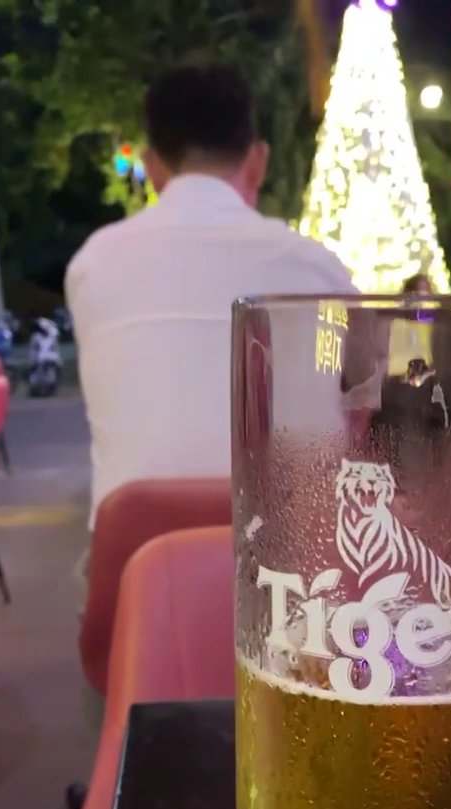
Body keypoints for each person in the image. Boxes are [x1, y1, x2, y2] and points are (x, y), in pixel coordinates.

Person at [66, 61, 353, 529]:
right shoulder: (318, 269)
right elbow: (358, 411)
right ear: (257, 161)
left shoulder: (90, 265)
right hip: (292, 577)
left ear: (151, 167)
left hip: (136, 575)